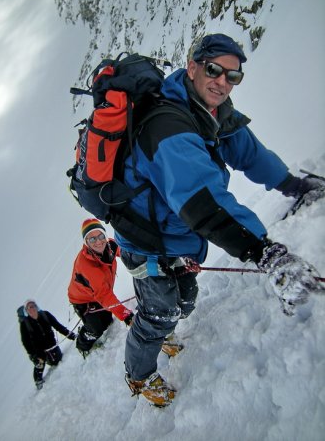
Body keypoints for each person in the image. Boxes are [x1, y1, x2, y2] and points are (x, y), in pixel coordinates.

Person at [115, 33, 325, 407]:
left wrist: (293, 184)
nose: (223, 82)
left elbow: (249, 151)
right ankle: (139, 374)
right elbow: (205, 202)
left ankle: (163, 328)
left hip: (181, 234)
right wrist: (267, 253)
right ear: (193, 67)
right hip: (147, 243)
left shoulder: (209, 109)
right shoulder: (167, 127)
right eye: (215, 70)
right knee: (160, 312)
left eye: (234, 76)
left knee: (185, 301)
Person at [68, 218, 134, 357]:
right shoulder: (86, 265)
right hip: (82, 299)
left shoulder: (110, 245)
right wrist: (126, 316)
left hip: (99, 291)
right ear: (86, 243)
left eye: (100, 236)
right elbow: (104, 296)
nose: (98, 242)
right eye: (92, 239)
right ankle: (83, 344)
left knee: (106, 319)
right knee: (96, 328)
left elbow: (127, 252)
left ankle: (94, 325)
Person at [19, 299, 76, 389]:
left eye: (33, 305)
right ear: (26, 311)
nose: (32, 308)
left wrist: (71, 335)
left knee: (57, 361)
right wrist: (33, 355)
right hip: (39, 351)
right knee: (40, 364)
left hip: (52, 346)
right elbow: (26, 342)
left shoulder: (45, 315)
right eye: (29, 307)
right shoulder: (25, 324)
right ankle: (38, 381)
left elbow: (58, 326)